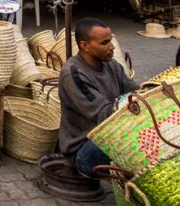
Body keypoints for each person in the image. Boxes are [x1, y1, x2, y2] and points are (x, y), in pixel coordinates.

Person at [59, 18, 139, 177]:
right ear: (85, 46)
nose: (112, 47)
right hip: (84, 149)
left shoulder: (111, 65)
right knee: (139, 143)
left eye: (110, 41)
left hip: (112, 132)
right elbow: (104, 114)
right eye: (104, 43)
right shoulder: (73, 74)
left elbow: (135, 90)